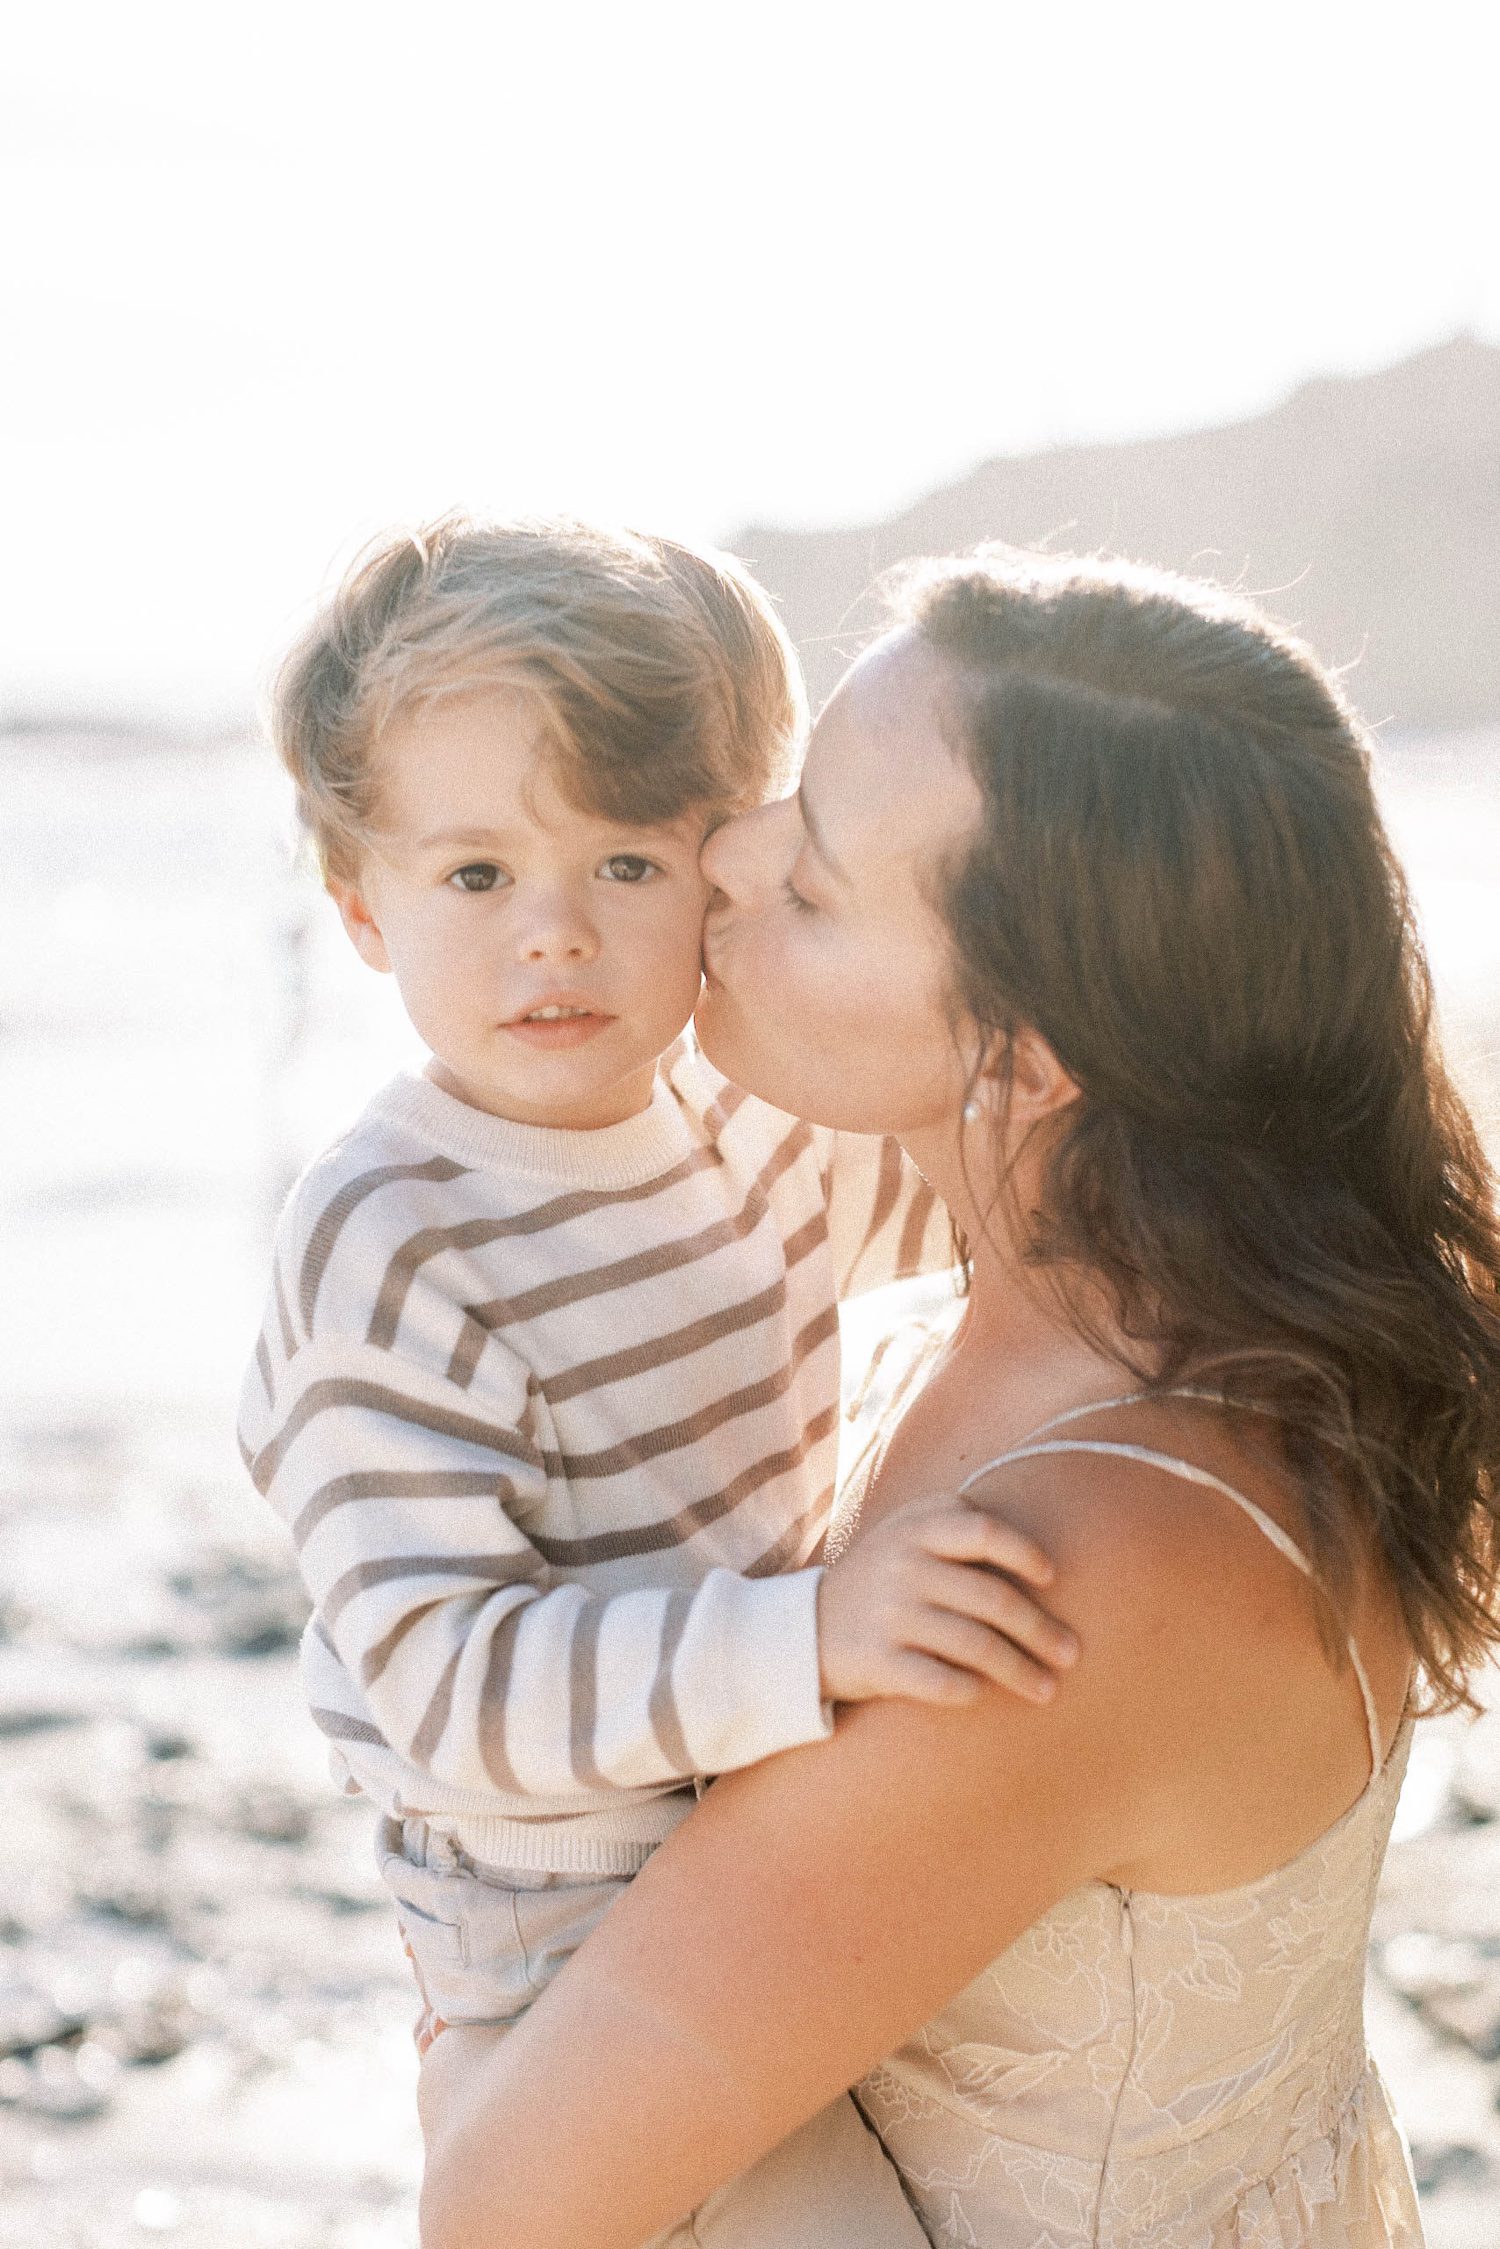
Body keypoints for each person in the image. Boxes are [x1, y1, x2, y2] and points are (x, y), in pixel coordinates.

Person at [417, 550, 1500, 2248]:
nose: (725, 853)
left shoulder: (1065, 1574)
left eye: (819, 883)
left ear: (1020, 1057)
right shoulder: (1189, 1308)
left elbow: (508, 2200)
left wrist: (457, 1964)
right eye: (789, 797)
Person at [239, 518, 1079, 2249]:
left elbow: (986, 1211)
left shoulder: (740, 1119)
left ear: (726, 866)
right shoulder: (390, 1235)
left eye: (626, 865)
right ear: (360, 907)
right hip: (558, 1917)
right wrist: (816, 1634)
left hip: (762, 1810)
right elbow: (448, 1687)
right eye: (475, 877)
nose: (554, 936)